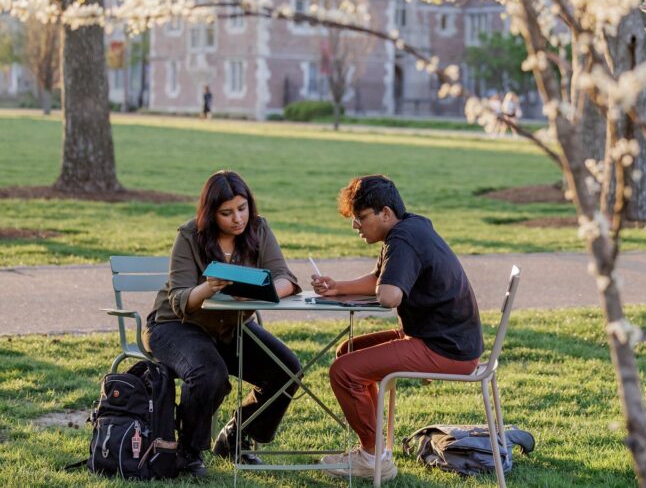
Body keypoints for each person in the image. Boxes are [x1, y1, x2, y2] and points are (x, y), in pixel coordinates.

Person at [311, 175, 484, 481]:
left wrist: (384, 287)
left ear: (385, 213)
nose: (356, 227)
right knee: (348, 351)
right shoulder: (412, 227)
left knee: (343, 371)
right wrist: (338, 288)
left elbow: (389, 294)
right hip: (445, 338)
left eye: (361, 218)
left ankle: (371, 458)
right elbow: (383, 277)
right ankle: (378, 449)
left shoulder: (402, 239)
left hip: (446, 348)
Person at [143, 170, 302, 478]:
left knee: (285, 369)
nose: (237, 219)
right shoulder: (189, 235)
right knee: (209, 373)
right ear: (210, 212)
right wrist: (211, 285)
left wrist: (262, 292)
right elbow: (180, 299)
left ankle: (235, 435)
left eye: (242, 209)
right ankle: (187, 453)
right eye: (227, 213)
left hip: (229, 327)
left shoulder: (259, 229)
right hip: (174, 326)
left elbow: (285, 278)